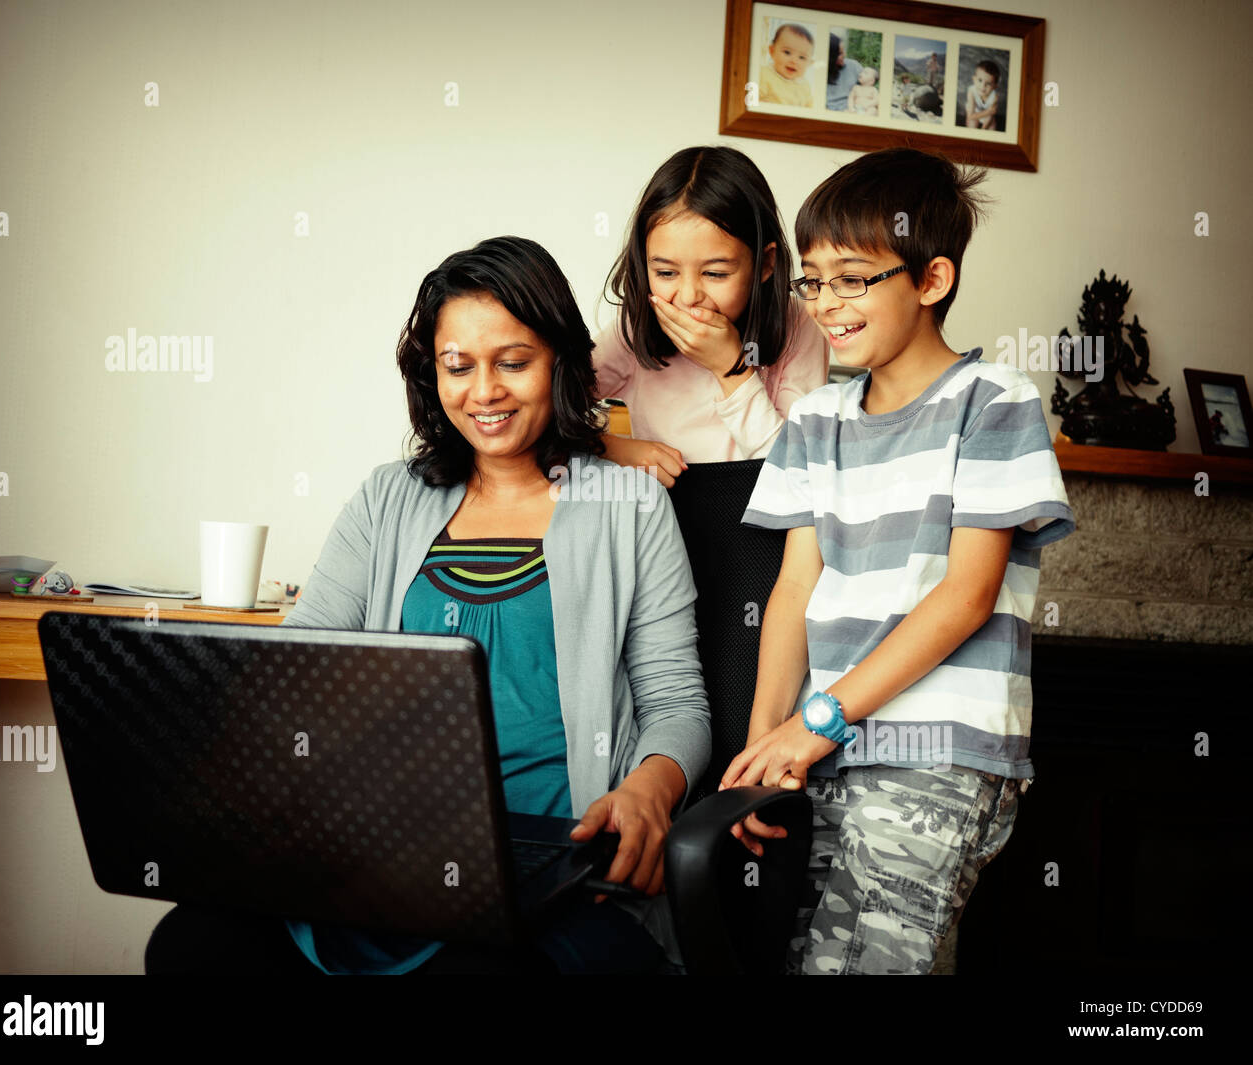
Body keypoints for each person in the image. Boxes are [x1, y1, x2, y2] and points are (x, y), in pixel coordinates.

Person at [146, 236, 710, 975]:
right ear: (431, 372)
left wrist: (647, 788)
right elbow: (299, 666)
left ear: (561, 364)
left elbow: (677, 701)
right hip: (387, 848)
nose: (485, 391)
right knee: (189, 946)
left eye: (513, 361)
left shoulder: (630, 505)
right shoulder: (389, 497)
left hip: (554, 850)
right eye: (458, 365)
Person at [720, 147, 1074, 975]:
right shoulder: (815, 419)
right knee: (816, 956)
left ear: (932, 278)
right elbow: (794, 589)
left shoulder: (996, 403)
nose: (826, 304)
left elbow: (966, 596)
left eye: (852, 278)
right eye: (812, 280)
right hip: (827, 745)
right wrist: (765, 742)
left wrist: (815, 722)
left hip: (937, 751)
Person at [594, 146, 828, 486]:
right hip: (660, 519)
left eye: (716, 274)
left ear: (765, 264)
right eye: (666, 273)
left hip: (754, 519)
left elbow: (795, 471)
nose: (689, 297)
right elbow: (547, 410)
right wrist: (609, 447)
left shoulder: (799, 323)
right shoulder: (638, 324)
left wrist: (730, 368)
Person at [758, 23, 815, 108]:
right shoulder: (762, 75)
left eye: (802, 57)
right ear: (772, 51)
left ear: (809, 63)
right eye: (787, 52)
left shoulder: (805, 86)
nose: (794, 61)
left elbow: (810, 110)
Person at [825, 33, 862, 111]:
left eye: (843, 51)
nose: (844, 55)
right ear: (830, 56)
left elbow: (868, 89)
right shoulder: (819, 73)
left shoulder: (854, 66)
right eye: (840, 54)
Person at [966, 60, 1001, 129]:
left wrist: (983, 129)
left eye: (988, 83)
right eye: (980, 80)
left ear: (995, 86)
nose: (983, 86)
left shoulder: (994, 97)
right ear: (974, 79)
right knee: (972, 125)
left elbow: (990, 115)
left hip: (987, 116)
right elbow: (970, 115)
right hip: (974, 112)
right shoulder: (971, 91)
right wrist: (988, 111)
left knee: (992, 127)